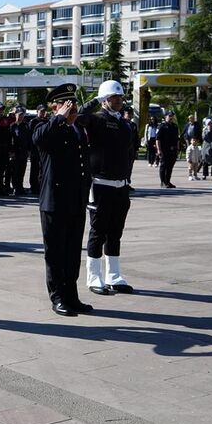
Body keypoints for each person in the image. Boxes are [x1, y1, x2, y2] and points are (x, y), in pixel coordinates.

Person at [33, 84, 92, 316]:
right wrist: (58, 118)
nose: (71, 109)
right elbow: (39, 139)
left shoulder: (77, 130)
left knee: (72, 251)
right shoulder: (44, 126)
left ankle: (71, 295)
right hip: (54, 201)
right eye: (65, 105)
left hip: (75, 199)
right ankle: (58, 297)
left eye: (73, 105)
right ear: (54, 107)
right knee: (56, 252)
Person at [78, 80, 135, 296]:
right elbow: (79, 116)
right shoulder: (96, 120)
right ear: (104, 100)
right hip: (100, 185)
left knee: (115, 233)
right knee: (98, 233)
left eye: (120, 97)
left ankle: (114, 275)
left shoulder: (123, 123)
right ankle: (94, 277)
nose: (118, 101)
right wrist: (94, 100)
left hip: (121, 186)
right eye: (113, 97)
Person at [10, 107, 32, 196]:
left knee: (22, 170)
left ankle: (20, 187)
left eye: (22, 115)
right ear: (15, 115)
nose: (21, 117)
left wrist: (29, 150)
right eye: (19, 115)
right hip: (15, 151)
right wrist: (11, 151)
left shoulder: (26, 126)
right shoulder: (12, 126)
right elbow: (10, 140)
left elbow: (28, 139)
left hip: (23, 151)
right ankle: (15, 187)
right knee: (15, 171)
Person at [28, 104, 48, 195]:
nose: (43, 113)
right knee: (34, 169)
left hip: (44, 149)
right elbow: (30, 136)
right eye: (41, 111)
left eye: (44, 111)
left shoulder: (47, 121)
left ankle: (41, 186)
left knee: (42, 169)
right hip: (35, 150)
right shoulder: (33, 122)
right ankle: (33, 187)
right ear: (37, 112)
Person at [156, 111, 179, 188]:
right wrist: (159, 150)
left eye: (172, 116)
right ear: (165, 117)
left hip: (173, 150)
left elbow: (177, 139)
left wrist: (177, 148)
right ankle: (163, 182)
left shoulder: (175, 126)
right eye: (169, 116)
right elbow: (157, 139)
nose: (171, 117)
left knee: (170, 166)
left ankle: (168, 181)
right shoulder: (161, 126)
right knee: (163, 166)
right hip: (164, 149)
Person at [123, 107, 139, 191]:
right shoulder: (121, 123)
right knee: (124, 167)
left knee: (130, 167)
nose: (129, 115)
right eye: (128, 113)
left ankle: (127, 182)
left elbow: (136, 138)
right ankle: (123, 183)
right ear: (124, 114)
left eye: (131, 113)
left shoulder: (133, 125)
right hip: (123, 149)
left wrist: (136, 150)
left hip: (131, 149)